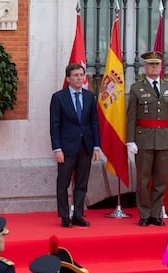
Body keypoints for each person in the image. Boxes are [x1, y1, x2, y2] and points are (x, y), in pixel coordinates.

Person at [126, 51, 168, 227]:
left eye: (157, 64)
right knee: (143, 180)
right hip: (143, 140)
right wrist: (130, 140)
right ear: (145, 67)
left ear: (160, 66)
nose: (154, 67)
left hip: (164, 139)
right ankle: (144, 214)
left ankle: (156, 214)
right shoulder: (136, 88)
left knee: (160, 179)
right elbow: (131, 117)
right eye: (151, 64)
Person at [49, 63, 100, 228]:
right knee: (62, 184)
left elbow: (94, 123)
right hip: (66, 148)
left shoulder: (89, 97)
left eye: (81, 75)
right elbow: (54, 125)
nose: (79, 78)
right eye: (76, 75)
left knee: (82, 183)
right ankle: (65, 216)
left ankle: (78, 214)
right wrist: (57, 148)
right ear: (68, 78)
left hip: (85, 146)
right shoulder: (58, 98)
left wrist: (96, 146)